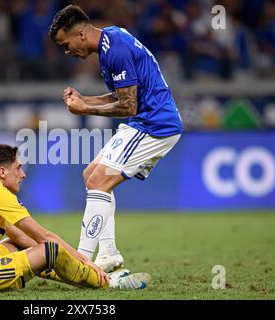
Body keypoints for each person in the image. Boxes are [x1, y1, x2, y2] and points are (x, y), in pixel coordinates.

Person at [49, 5, 183, 272]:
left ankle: (81, 261)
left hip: (155, 125)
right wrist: (84, 99)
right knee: (91, 176)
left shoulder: (116, 51)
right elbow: (120, 95)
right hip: (144, 122)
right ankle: (108, 253)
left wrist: (85, 109)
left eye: (66, 44)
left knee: (99, 181)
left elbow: (128, 106)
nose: (68, 52)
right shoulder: (111, 39)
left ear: (81, 35)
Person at [0, 144, 149, 294]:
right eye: (18, 168)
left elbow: (23, 237)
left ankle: (87, 275)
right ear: (1, 172)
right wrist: (85, 261)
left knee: (21, 245)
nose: (23, 174)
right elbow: (44, 237)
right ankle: (108, 283)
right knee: (50, 249)